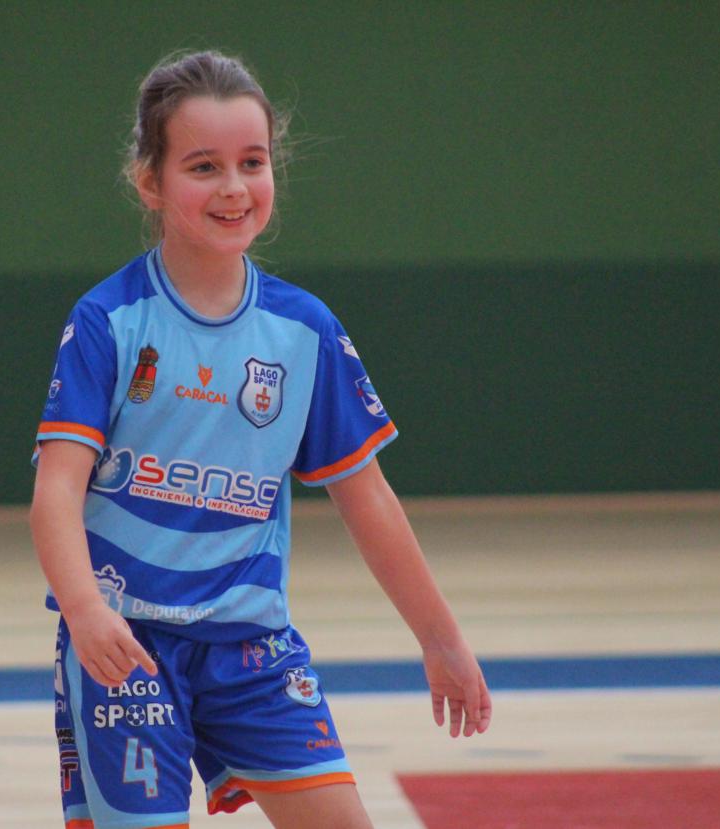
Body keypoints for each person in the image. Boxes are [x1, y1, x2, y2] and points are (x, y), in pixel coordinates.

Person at [29, 49, 490, 829]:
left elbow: (368, 498)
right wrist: (84, 609)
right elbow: (55, 492)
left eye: (252, 162)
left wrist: (440, 639)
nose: (234, 187)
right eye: (203, 166)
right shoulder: (109, 321)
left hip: (253, 648)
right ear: (150, 181)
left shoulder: (304, 330)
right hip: (127, 644)